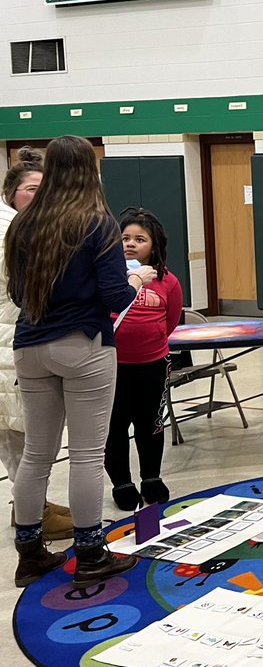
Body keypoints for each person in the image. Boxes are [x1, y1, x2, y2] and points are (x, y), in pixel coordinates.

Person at [8, 135, 157, 588]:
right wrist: (137, 280)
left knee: (37, 453)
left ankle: (30, 553)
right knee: (88, 454)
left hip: (30, 344)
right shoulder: (96, 221)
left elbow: (18, 294)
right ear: (90, 172)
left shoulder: (23, 223)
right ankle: (91, 553)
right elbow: (114, 296)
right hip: (83, 344)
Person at [0, 148, 73, 541]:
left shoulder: (30, 227)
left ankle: (33, 505)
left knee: (29, 435)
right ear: (11, 193)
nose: (40, 195)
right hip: (10, 345)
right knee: (22, 436)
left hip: (22, 341)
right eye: (31, 188)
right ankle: (32, 516)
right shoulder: (12, 231)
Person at [104, 208, 184, 511]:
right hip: (112, 365)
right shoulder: (109, 277)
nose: (130, 243)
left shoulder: (168, 281)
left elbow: (171, 319)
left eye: (140, 239)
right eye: (125, 238)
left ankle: (151, 477)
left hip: (152, 365)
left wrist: (151, 340)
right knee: (115, 426)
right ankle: (122, 483)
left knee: (150, 424)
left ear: (154, 245)